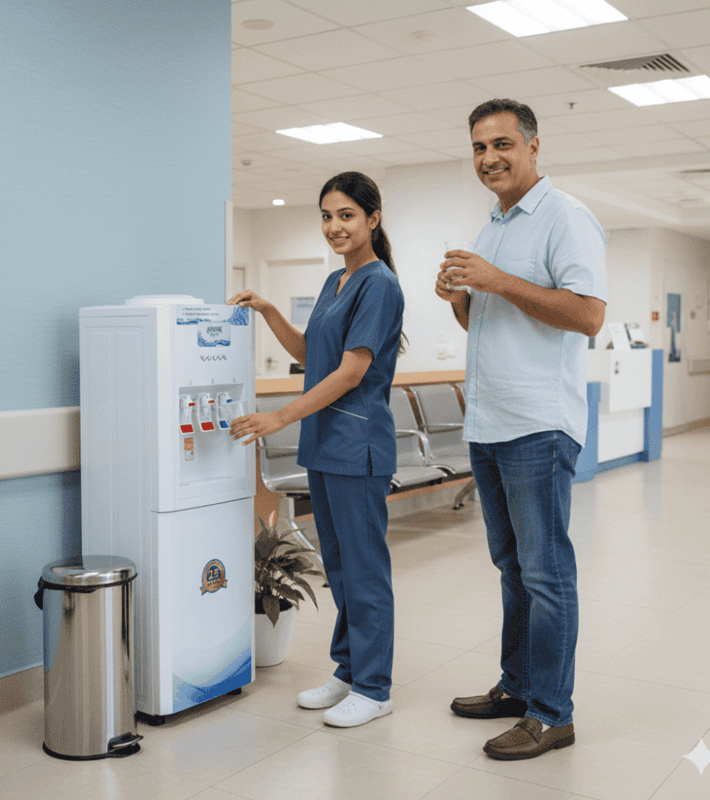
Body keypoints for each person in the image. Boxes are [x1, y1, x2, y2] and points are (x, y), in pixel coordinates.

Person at [435, 99, 607, 760]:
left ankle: (552, 714)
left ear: (534, 146)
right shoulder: (492, 227)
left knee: (545, 574)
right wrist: (462, 300)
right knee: (511, 568)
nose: (489, 158)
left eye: (502, 144)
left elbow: (588, 315)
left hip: (538, 424)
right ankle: (517, 686)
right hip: (490, 422)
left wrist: (498, 281)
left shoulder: (566, 217)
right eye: (479, 147)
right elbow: (486, 325)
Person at [227, 171, 405, 728]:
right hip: (326, 446)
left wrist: (279, 417)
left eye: (347, 215)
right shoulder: (335, 281)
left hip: (358, 446)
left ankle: (374, 688)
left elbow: (351, 372)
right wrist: (270, 312)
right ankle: (348, 671)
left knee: (364, 570)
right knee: (340, 568)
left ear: (373, 218)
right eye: (327, 216)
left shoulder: (379, 284)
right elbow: (313, 354)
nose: (335, 226)